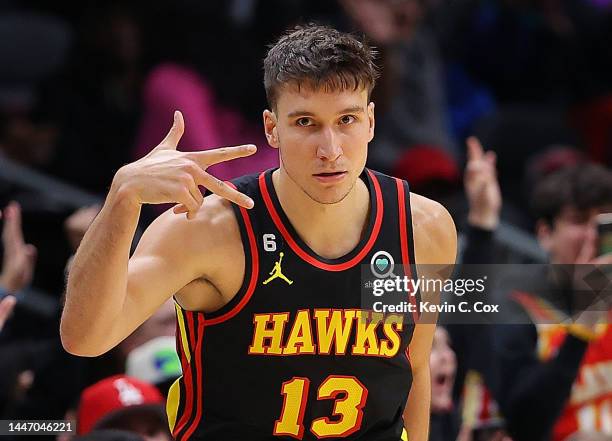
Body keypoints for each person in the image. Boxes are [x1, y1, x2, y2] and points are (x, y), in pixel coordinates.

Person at [61, 25, 457, 441]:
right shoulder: (207, 229)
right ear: (272, 128)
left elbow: (414, 366)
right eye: (306, 122)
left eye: (347, 120)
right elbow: (84, 338)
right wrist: (122, 198)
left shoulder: (423, 228)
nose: (331, 148)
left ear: (371, 121)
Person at [494, 163, 612, 441]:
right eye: (579, 220)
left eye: (603, 223)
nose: (592, 236)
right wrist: (584, 322)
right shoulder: (514, 304)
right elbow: (524, 424)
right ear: (545, 234)